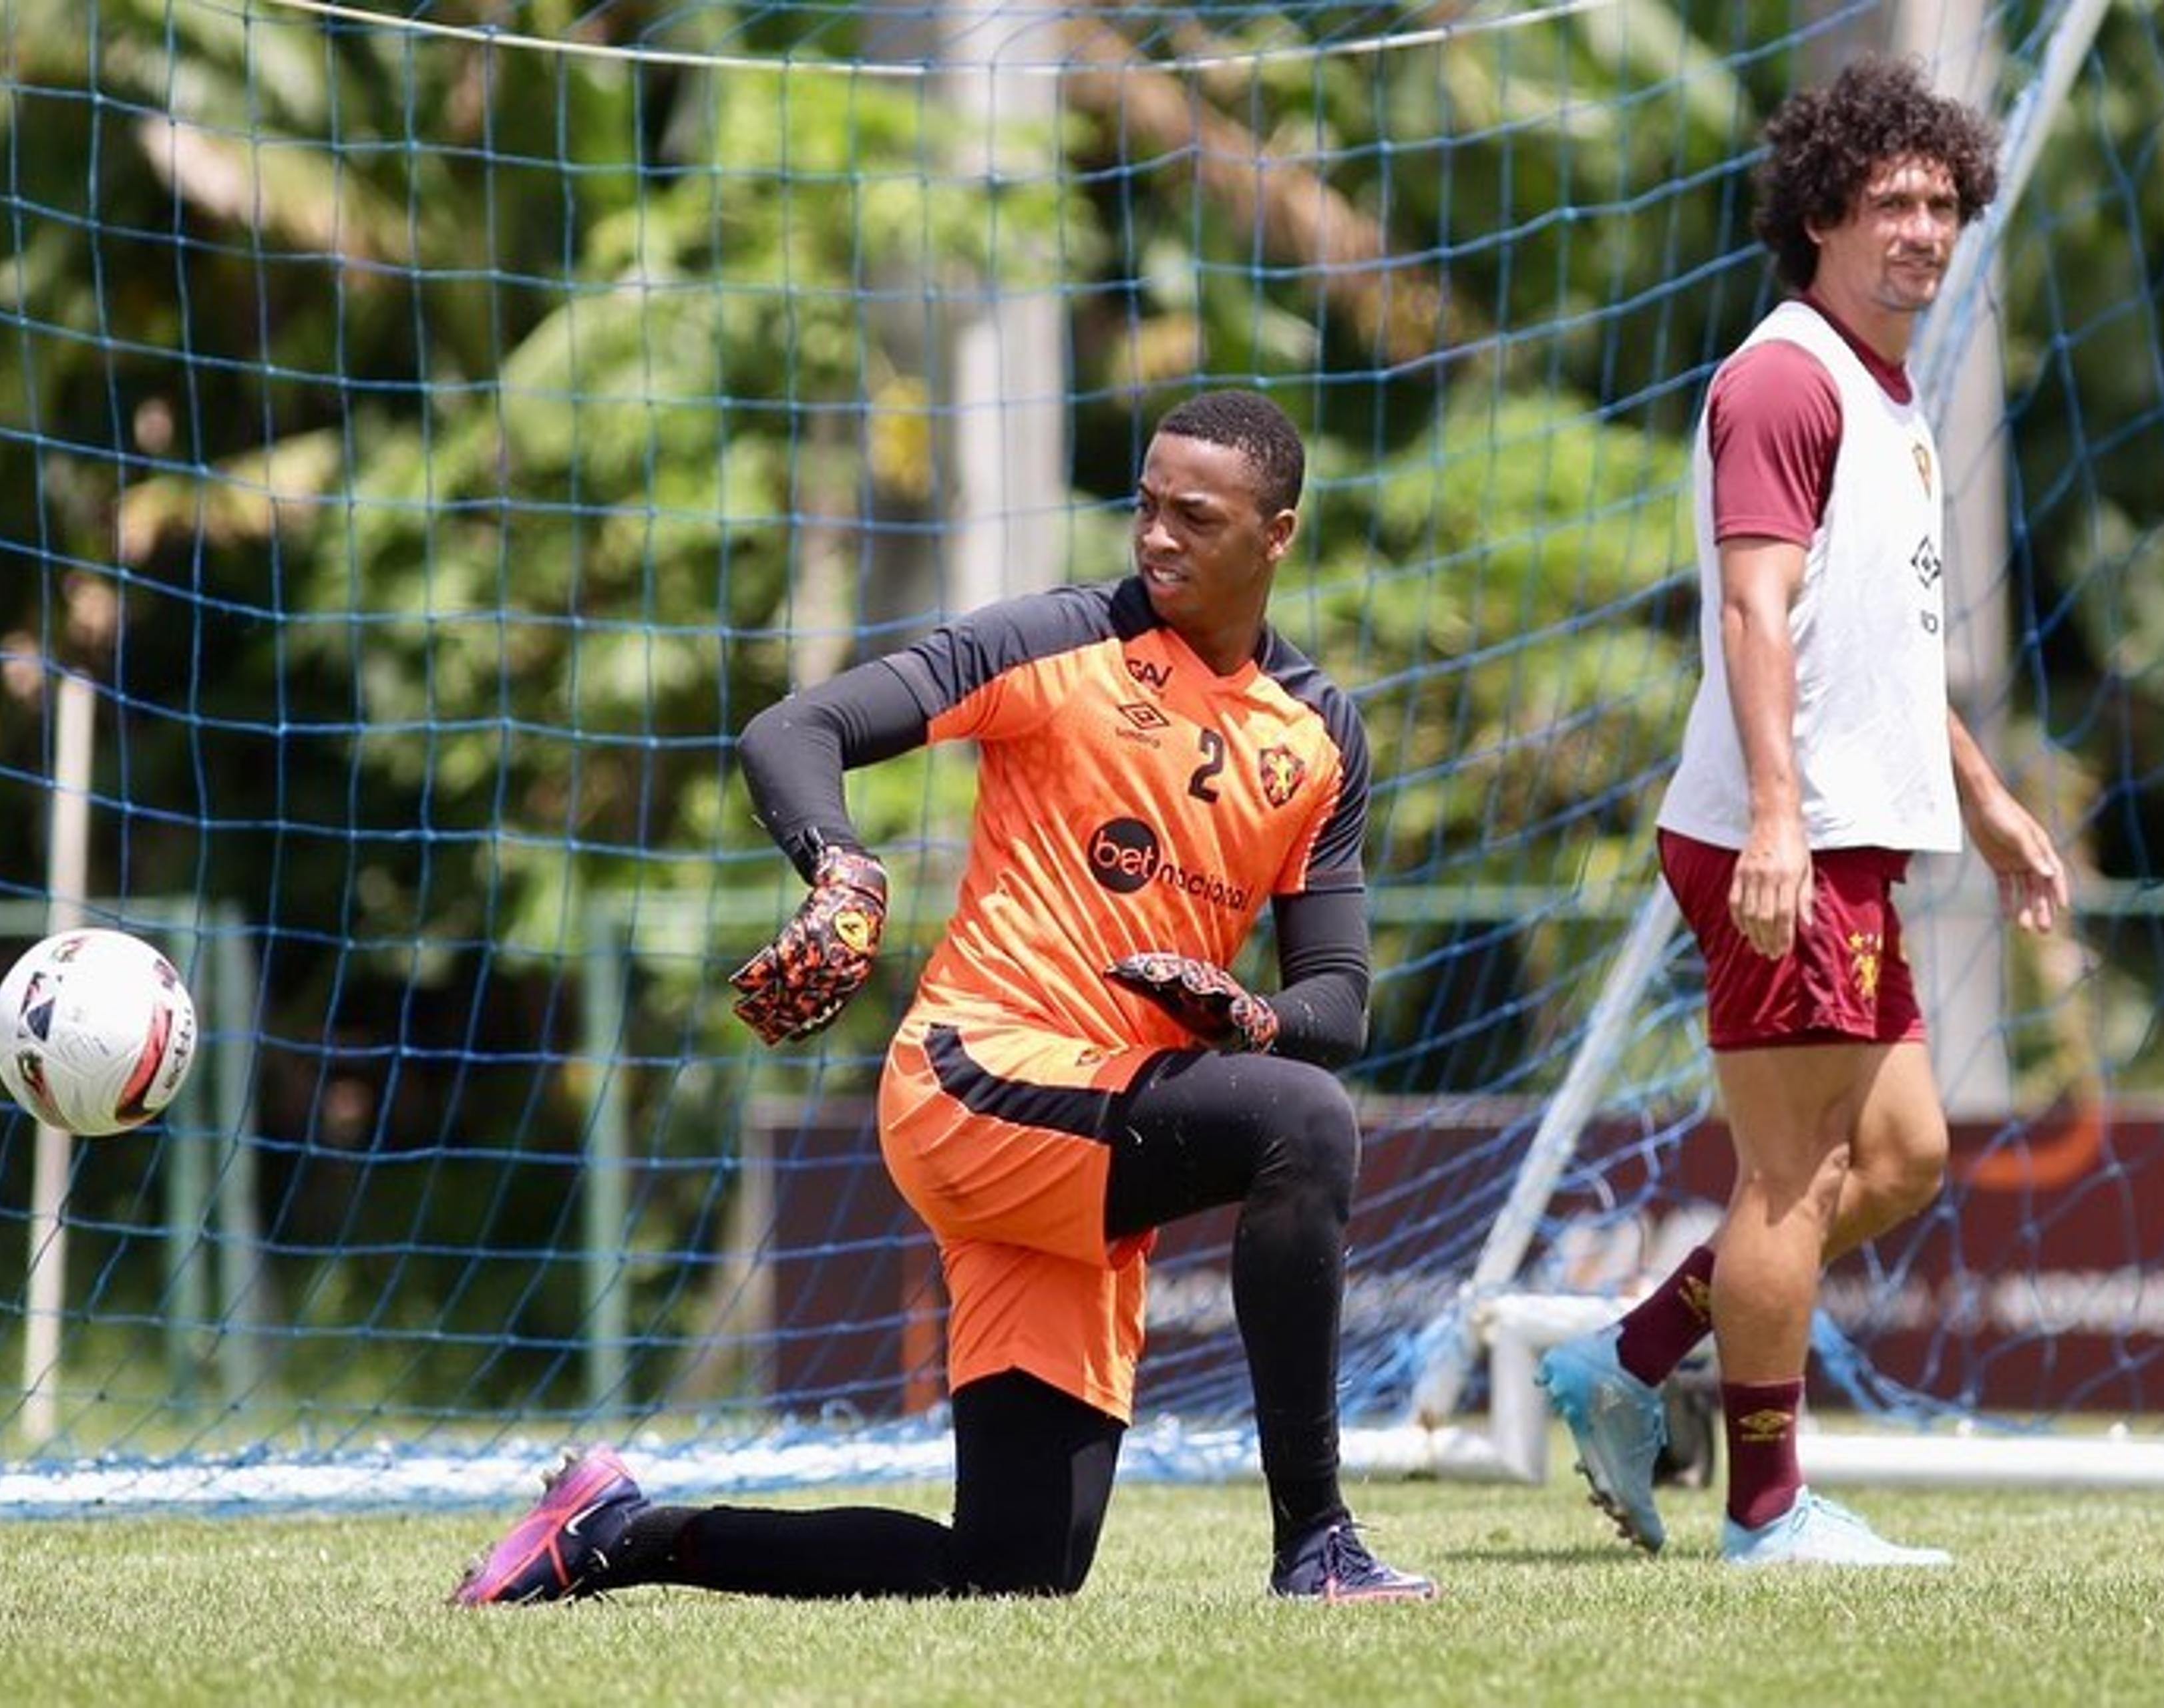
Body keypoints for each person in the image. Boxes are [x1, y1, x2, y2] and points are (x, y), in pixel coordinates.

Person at [451, 389, 1437, 1606]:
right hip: (979, 1076)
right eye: (1146, 506)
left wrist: (1254, 1016)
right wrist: (842, 869)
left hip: (1092, 1137)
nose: (1157, 537)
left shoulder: (1322, 733)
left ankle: (626, 1532)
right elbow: (794, 728)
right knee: (1306, 1124)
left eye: (1196, 516)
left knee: (1014, 1572)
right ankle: (1318, 1543)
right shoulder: (1058, 643)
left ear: (1276, 534)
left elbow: (1338, 999)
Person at [1537, 57, 2069, 1566]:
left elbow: (1877, 644)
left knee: (1896, 1160)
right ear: (1822, 210)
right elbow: (1754, 614)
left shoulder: (1885, 387)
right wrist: (1778, 817)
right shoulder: (1783, 376)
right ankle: (1766, 1513)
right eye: (1891, 198)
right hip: (1790, 839)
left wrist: (1990, 799)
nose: (1923, 225)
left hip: (1854, 837)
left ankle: (1626, 1354)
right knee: (1789, 1177)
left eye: (1944, 201)